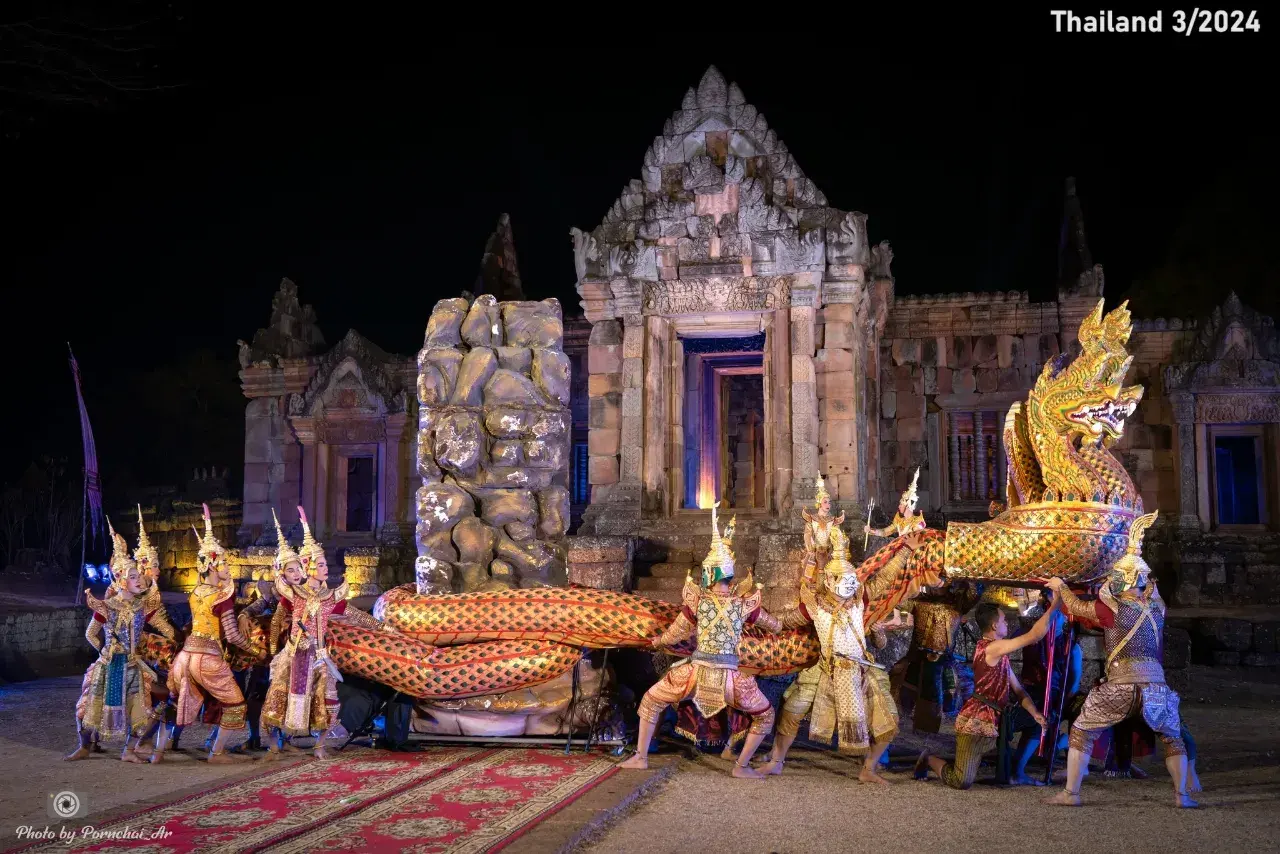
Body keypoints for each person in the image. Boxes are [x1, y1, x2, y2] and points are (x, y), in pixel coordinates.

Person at [1043, 511, 1198, 808]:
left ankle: (1071, 794)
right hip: (1155, 688)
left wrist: (1060, 586)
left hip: (1120, 688)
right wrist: (1135, 550)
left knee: (1082, 731)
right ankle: (1182, 796)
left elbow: (1075, 606)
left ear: (1124, 578)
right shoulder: (1158, 609)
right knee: (1173, 738)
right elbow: (1153, 591)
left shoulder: (1111, 608)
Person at [619, 507, 783, 779]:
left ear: (709, 574)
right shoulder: (744, 605)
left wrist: (657, 641)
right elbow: (774, 625)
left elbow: (675, 634)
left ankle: (641, 757)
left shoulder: (697, 602)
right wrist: (783, 626)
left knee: (650, 701)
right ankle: (741, 766)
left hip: (693, 676)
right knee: (765, 715)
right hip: (732, 680)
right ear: (728, 575)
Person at [760, 526, 900, 784]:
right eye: (842, 579)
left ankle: (869, 768)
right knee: (792, 711)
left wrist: (905, 552)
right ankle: (776, 761)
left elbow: (884, 580)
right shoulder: (815, 605)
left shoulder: (859, 601)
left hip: (861, 670)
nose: (848, 584)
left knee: (889, 718)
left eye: (850, 579)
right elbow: (786, 620)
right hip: (825, 669)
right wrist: (756, 618)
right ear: (829, 580)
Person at [260, 506, 386, 760]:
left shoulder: (330, 597)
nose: (325, 568)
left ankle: (319, 745)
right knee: (277, 699)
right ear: (308, 567)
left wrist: (383, 627)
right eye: (320, 564)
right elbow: (276, 619)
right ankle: (274, 745)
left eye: (325, 563)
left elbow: (355, 615)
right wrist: (272, 650)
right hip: (294, 654)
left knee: (329, 701)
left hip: (319, 656)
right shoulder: (294, 594)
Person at [915, 593, 1058, 789]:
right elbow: (1034, 636)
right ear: (994, 626)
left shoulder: (999, 652)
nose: (1007, 623)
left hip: (998, 716)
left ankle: (1017, 772)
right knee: (961, 781)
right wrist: (1055, 604)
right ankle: (928, 759)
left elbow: (1019, 691)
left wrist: (1034, 713)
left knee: (1036, 720)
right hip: (979, 719)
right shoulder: (992, 649)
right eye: (1003, 620)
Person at [152, 504, 259, 764]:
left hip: (185, 657)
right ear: (212, 565)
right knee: (236, 705)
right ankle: (217, 753)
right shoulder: (222, 595)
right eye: (224, 563)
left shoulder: (196, 592)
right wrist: (257, 651)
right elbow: (232, 635)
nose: (228, 567)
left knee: (176, 702)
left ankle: (158, 752)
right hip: (208, 658)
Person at [66, 520, 175, 762]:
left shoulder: (142, 606)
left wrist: (173, 639)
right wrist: (103, 651)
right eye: (133, 576)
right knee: (86, 708)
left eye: (139, 575)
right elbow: (90, 634)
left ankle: (129, 750)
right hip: (108, 666)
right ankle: (84, 746)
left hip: (133, 665)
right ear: (121, 580)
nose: (140, 580)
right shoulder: (107, 606)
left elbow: (164, 627)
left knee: (143, 710)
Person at [1009, 590, 1082, 785]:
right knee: (1034, 713)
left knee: (1044, 716)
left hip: (1056, 695)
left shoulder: (1071, 647)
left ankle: (1060, 743)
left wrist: (1059, 706)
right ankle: (1019, 767)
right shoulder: (1032, 637)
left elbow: (1073, 684)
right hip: (1029, 691)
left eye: (1057, 617)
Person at [801, 475, 845, 585]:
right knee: (810, 574)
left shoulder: (833, 520)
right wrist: (810, 548)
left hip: (829, 552)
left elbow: (836, 536)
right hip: (814, 551)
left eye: (829, 502)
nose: (828, 504)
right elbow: (807, 535)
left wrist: (836, 548)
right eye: (825, 502)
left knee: (831, 575)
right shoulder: (812, 519)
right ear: (819, 504)